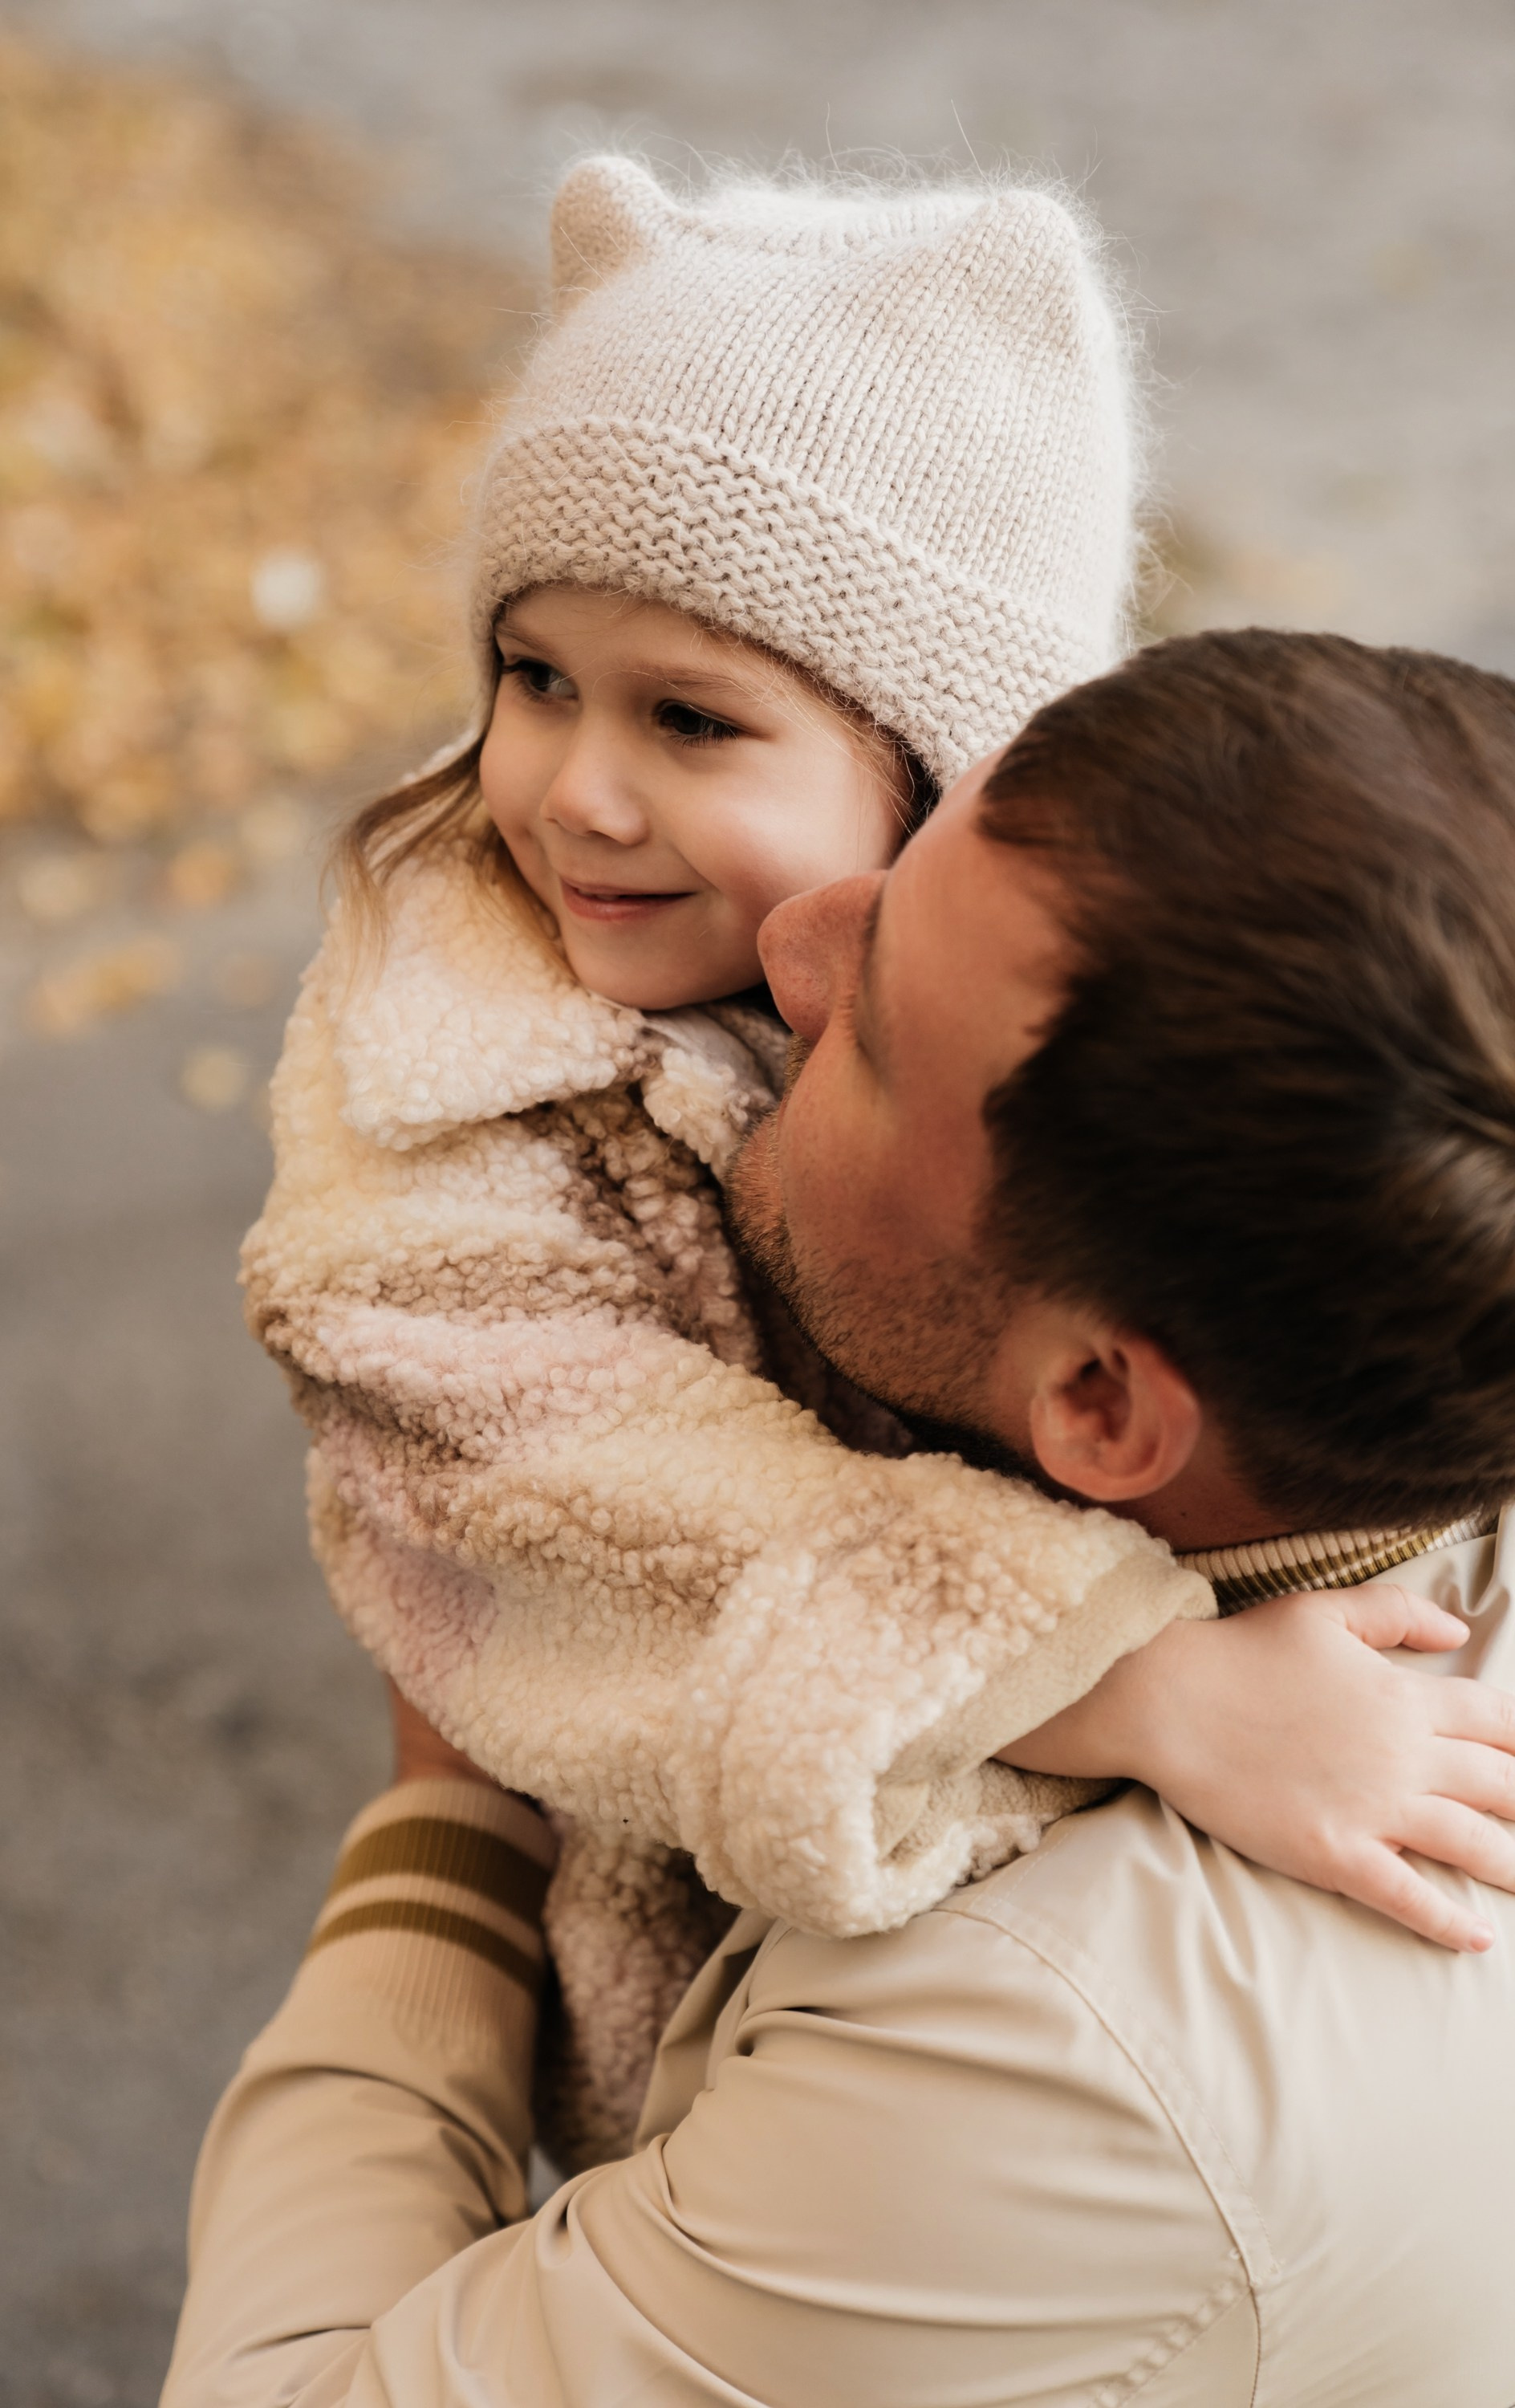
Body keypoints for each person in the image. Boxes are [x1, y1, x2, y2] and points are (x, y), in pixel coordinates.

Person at [241, 157, 1505, 2174]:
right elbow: (560, 1491)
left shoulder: (1123, 1062)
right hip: (683, 1979)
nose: (574, 790)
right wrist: (1133, 1683)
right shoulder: (448, 1061)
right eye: (532, 677)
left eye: (691, 720)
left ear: (933, 760)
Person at [165, 628, 1515, 2406]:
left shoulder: (1026, 2066)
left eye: (873, 1030)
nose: (793, 946)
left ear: (1102, 1409)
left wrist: (455, 1822)